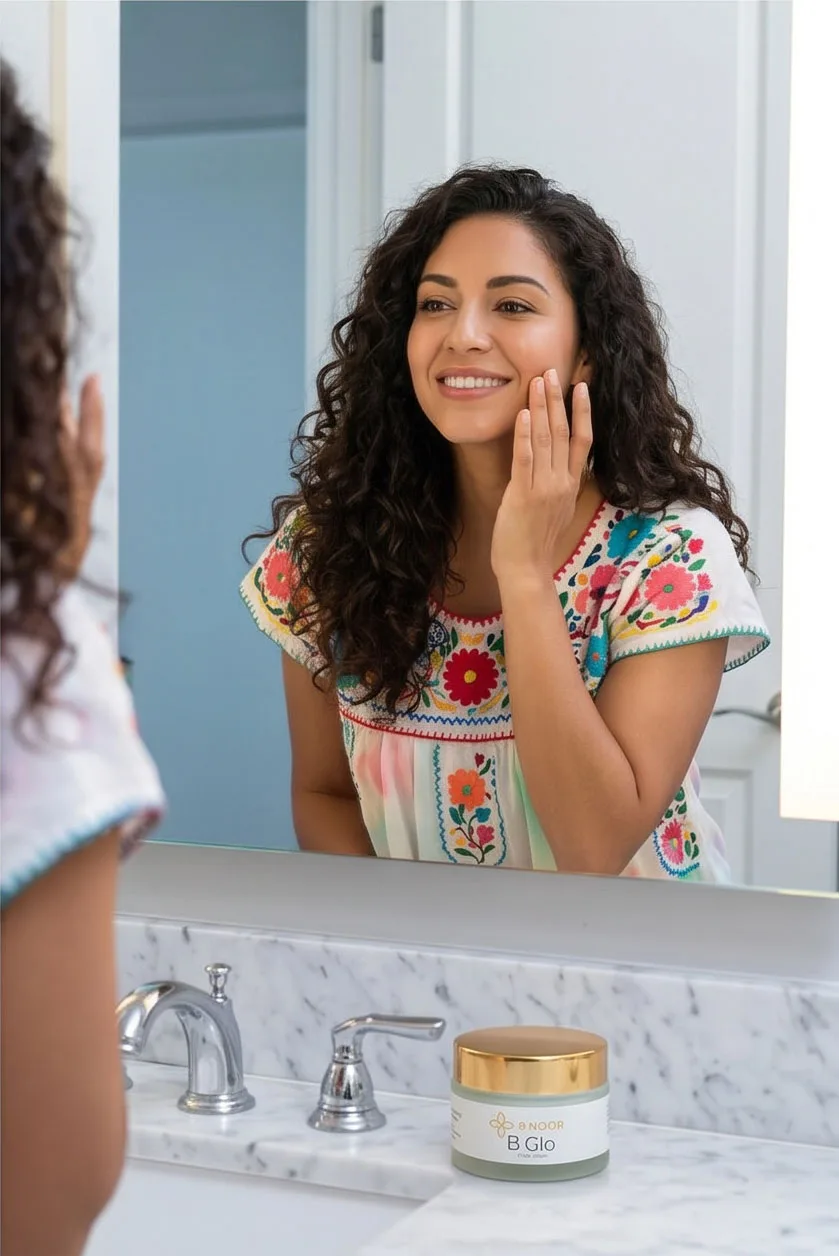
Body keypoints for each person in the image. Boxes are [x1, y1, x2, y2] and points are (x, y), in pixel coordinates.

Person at [241, 165, 769, 882]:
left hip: (638, 954)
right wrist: (412, 940)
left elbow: (592, 849)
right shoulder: (328, 545)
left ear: (587, 351)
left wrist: (523, 575)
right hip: (419, 956)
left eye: (513, 306)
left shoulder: (669, 557)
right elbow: (324, 794)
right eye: (434, 304)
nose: (463, 335)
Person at [1, 62, 165, 1256]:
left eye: (510, 303)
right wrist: (40, 602)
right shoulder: (25, 671)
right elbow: (45, 1190)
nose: (462, 336)